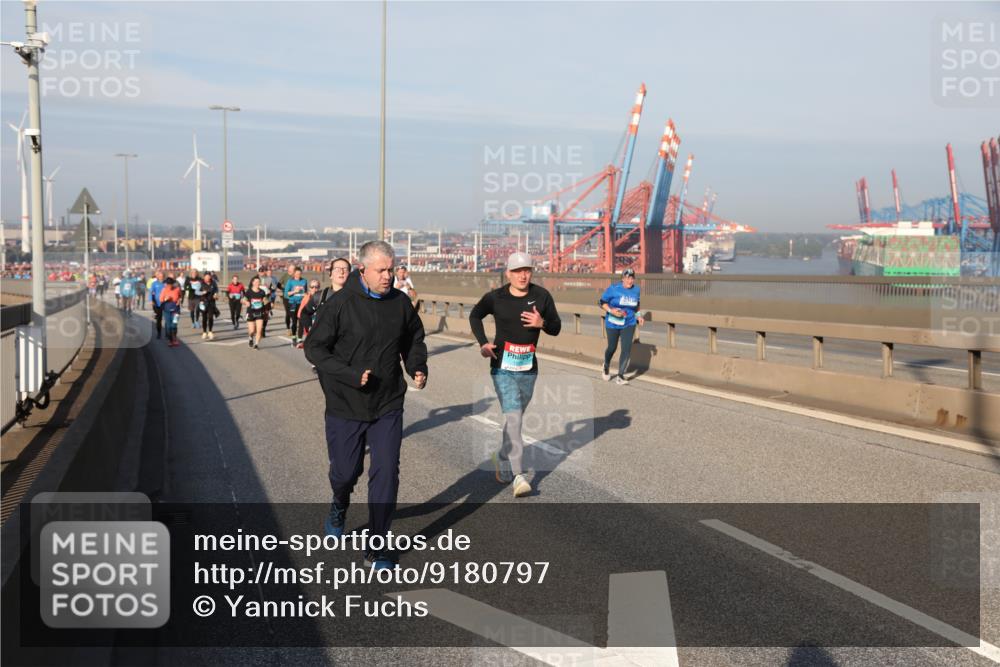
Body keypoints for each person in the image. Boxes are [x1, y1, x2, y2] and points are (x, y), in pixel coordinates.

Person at [304, 241, 427, 569]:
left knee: (386, 470)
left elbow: (413, 338)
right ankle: (339, 503)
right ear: (363, 270)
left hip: (387, 402)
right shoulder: (340, 304)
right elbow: (315, 349)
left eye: (392, 269)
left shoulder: (400, 303)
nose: (389, 276)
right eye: (382, 270)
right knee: (346, 473)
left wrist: (417, 365)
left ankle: (379, 545)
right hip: (345, 404)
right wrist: (349, 374)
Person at [469, 252, 561, 498]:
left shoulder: (541, 296)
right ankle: (519, 476)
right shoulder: (496, 297)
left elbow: (557, 327)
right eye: (518, 271)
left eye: (527, 270)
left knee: (514, 420)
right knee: (516, 420)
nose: (523, 275)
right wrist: (483, 344)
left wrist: (542, 324)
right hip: (502, 368)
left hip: (529, 368)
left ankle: (501, 457)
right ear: (508, 273)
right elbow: (475, 315)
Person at [599, 268, 644, 385]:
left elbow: (637, 305)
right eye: (627, 278)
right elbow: (601, 302)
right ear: (622, 279)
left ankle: (620, 376)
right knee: (612, 347)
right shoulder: (614, 289)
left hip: (629, 322)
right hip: (613, 322)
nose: (630, 281)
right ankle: (606, 365)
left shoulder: (636, 290)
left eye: (632, 278)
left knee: (626, 349)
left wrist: (639, 316)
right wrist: (611, 310)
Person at [243, 276, 268, 350]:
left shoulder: (262, 292)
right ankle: (250, 337)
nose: (257, 283)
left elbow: (265, 300)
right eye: (256, 282)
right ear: (253, 282)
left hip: (260, 312)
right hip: (251, 312)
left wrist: (267, 302)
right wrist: (246, 302)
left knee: (259, 330)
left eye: (258, 282)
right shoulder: (249, 291)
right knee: (252, 331)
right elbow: (243, 299)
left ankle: (256, 344)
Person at [284, 267, 308, 345]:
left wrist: (305, 295)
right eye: (297, 274)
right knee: (294, 321)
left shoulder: (304, 281)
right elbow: (286, 294)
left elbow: (306, 292)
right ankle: (294, 337)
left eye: (299, 273)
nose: (298, 275)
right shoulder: (290, 281)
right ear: (294, 274)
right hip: (293, 303)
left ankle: (300, 338)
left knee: (301, 321)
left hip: (301, 303)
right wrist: (295, 291)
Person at [160, 277, 182, 347]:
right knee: (169, 326)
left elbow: (180, 296)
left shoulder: (177, 289)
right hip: (167, 310)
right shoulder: (164, 290)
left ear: (172, 284)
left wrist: (179, 300)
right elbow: (161, 299)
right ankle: (170, 340)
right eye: (167, 284)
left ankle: (174, 339)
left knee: (174, 325)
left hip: (176, 310)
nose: (168, 285)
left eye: (169, 284)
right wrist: (166, 299)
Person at [200, 272, 219, 340]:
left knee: (211, 317)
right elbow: (196, 292)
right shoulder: (201, 283)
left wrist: (216, 295)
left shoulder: (213, 283)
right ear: (204, 277)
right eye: (206, 277)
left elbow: (216, 290)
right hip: (203, 302)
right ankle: (204, 332)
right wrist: (202, 292)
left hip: (211, 302)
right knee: (204, 318)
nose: (208, 278)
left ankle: (210, 331)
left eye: (209, 277)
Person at [149, 270, 165, 339]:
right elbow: (151, 292)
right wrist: (151, 300)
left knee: (167, 318)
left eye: (162, 276)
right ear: (157, 277)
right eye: (160, 276)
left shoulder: (166, 283)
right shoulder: (154, 283)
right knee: (159, 319)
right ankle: (159, 333)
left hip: (165, 303)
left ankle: (169, 333)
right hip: (157, 303)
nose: (161, 277)